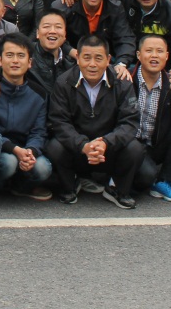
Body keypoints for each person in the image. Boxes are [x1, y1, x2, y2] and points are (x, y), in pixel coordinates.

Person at [45, 34, 145, 209]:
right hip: (78, 150)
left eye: (98, 58)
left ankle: (117, 189)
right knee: (55, 146)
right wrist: (83, 145)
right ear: (78, 58)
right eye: (86, 58)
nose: (92, 64)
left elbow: (130, 122)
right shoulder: (64, 82)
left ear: (108, 60)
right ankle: (70, 186)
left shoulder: (122, 83)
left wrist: (106, 142)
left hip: (109, 150)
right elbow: (59, 121)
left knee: (135, 148)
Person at [0, 33, 51, 203]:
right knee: (9, 162)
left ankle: (21, 187)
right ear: (0, 60)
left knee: (43, 168)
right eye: (10, 55)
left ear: (29, 62)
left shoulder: (39, 94)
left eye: (21, 56)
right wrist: (13, 149)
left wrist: (31, 152)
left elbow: (39, 131)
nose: (15, 61)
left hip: (25, 148)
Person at [132, 34, 171, 203]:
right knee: (145, 177)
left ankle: (166, 181)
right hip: (131, 144)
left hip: (156, 142)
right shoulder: (126, 79)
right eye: (149, 51)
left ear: (166, 56)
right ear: (139, 55)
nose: (154, 55)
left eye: (159, 51)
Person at [55, 0, 137, 78]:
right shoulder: (65, 4)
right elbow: (52, 35)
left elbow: (125, 38)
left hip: (104, 62)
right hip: (69, 61)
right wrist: (73, 52)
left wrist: (121, 63)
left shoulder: (114, 7)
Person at [27, 10, 74, 94]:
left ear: (65, 34)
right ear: (37, 33)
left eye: (58, 27)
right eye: (46, 26)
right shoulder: (26, 56)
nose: (52, 31)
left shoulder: (72, 64)